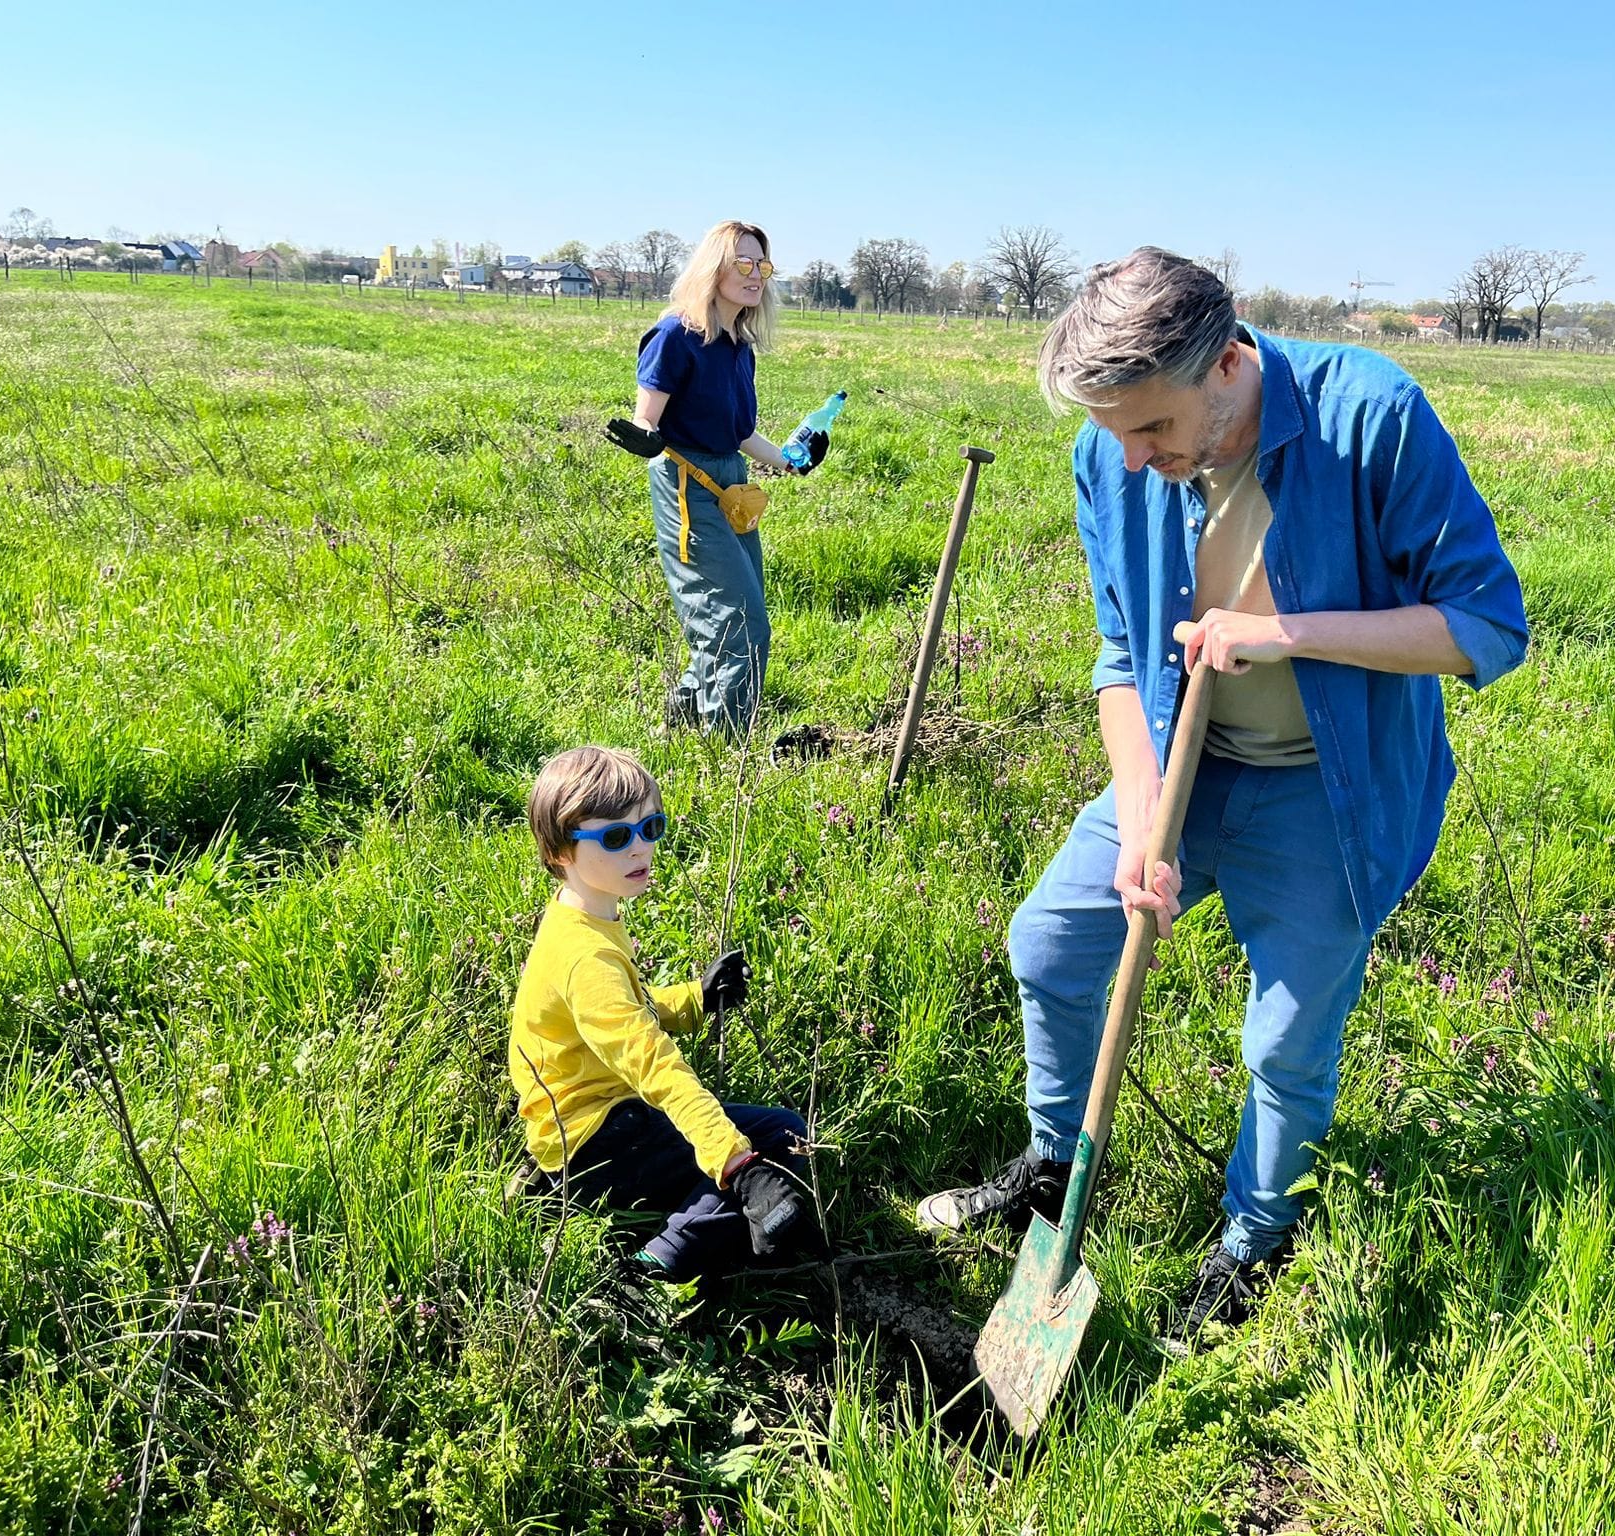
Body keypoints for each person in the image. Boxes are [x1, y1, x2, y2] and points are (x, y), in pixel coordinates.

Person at [916, 248, 1528, 1341]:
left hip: (1325, 789)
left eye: (1148, 428)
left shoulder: (1370, 417)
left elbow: (1486, 628)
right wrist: (1144, 817)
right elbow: (1118, 655)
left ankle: (1255, 1233)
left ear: (1225, 362)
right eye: (1112, 431)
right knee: (1048, 947)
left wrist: (1281, 635)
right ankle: (1054, 1167)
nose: (1131, 456)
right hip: (1176, 766)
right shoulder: (1111, 457)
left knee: (1283, 1045)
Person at [510, 744, 824, 1280]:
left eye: (650, 827)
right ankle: (660, 1266)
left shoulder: (580, 922)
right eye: (614, 836)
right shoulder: (587, 957)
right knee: (784, 1136)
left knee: (763, 1142)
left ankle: (558, 1187)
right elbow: (652, 1063)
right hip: (601, 1139)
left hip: (577, 1129)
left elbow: (623, 1012)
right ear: (560, 852)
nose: (640, 849)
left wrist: (695, 999)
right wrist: (736, 1162)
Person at [603, 220, 827, 734]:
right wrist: (643, 436)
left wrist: (790, 461)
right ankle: (725, 747)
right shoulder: (675, 336)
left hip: (732, 479)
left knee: (731, 610)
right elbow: (647, 420)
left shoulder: (736, 343)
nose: (756, 275)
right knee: (740, 622)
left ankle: (683, 726)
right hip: (687, 480)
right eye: (743, 263)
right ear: (714, 267)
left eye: (763, 265)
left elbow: (739, 432)